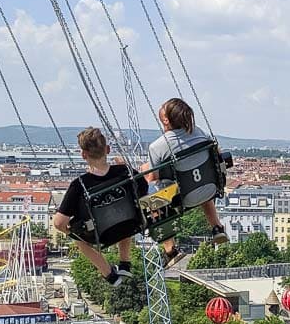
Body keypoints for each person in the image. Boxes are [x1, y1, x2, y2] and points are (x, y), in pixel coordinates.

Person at [54, 127, 145, 287]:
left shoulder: (79, 185)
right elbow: (143, 187)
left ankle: (109, 274)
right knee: (124, 211)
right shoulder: (124, 171)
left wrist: (71, 232)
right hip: (130, 224)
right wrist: (126, 167)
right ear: (107, 150)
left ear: (83, 155)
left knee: (77, 237)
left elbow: (59, 223)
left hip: (101, 235)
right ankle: (125, 263)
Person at [142, 98, 228, 266]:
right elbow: (217, 153)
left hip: (181, 199)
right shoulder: (199, 132)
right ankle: (217, 227)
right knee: (197, 178)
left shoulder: (158, 146)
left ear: (166, 120)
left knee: (152, 199)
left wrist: (143, 169)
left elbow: (152, 177)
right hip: (208, 189)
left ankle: (170, 250)